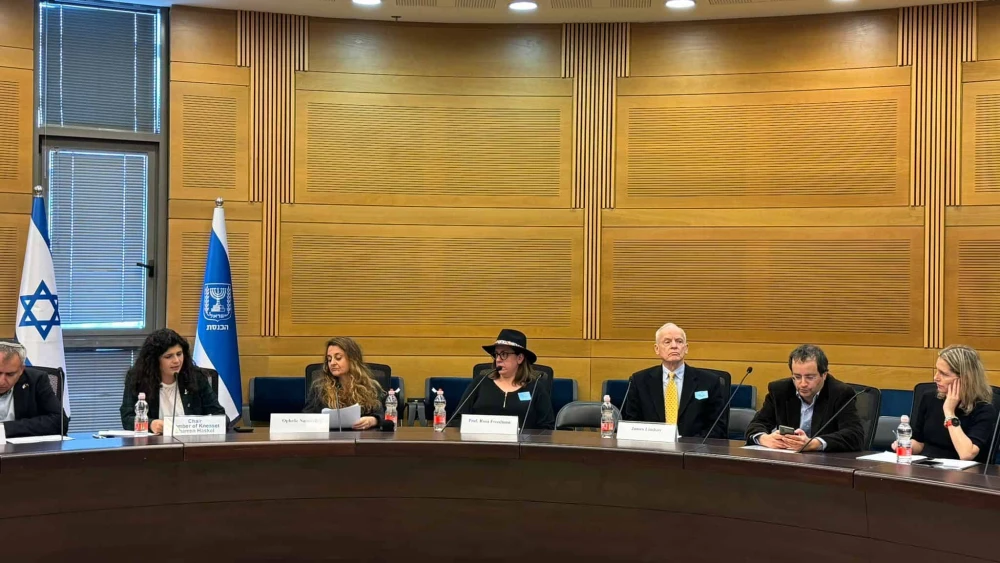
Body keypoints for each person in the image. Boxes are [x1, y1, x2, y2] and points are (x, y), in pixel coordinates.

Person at [746, 344, 864, 452]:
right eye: (797, 377)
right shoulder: (779, 390)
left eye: (810, 377)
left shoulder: (840, 393)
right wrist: (764, 438)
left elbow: (855, 435)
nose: (802, 384)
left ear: (824, 375)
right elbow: (756, 425)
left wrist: (814, 443)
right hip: (786, 461)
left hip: (826, 465)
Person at [621, 323, 727, 439]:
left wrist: (688, 445)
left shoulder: (709, 382)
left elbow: (718, 427)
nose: (674, 346)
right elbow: (631, 424)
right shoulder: (639, 381)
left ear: (686, 348)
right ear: (657, 349)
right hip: (652, 449)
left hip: (693, 451)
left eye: (679, 341)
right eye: (667, 342)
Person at [901, 345, 997, 462]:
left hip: (964, 475)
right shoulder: (929, 398)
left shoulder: (984, 409)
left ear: (966, 378)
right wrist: (905, 444)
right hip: (927, 468)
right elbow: (919, 444)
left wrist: (949, 412)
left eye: (944, 374)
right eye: (937, 370)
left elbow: (966, 454)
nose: (935, 377)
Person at [120, 329, 226, 433]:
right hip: (155, 444)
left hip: (192, 444)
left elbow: (221, 417)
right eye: (168, 356)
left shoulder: (196, 377)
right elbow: (127, 418)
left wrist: (202, 424)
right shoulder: (138, 378)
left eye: (179, 354)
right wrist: (150, 424)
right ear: (154, 360)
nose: (176, 361)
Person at [449, 329, 555, 430]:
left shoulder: (535, 388)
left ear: (520, 358)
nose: (498, 359)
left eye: (504, 354)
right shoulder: (480, 383)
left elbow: (547, 428)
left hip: (521, 447)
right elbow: (456, 419)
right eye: (496, 354)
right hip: (481, 445)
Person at [304, 337, 385, 430]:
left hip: (361, 439)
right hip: (328, 439)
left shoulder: (370, 387)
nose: (332, 363)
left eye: (338, 358)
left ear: (352, 359)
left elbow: (383, 416)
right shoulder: (319, 387)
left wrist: (373, 420)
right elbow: (306, 417)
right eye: (329, 359)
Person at [0, 341, 62, 437]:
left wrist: (5, 428)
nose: (2, 381)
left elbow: (60, 421)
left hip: (21, 447)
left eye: (10, 374)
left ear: (21, 370)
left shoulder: (36, 380)